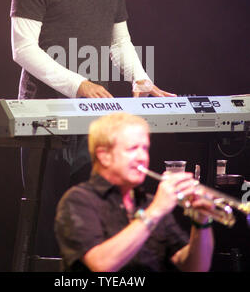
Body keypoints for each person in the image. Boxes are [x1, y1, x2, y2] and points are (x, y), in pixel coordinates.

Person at [10, 0, 176, 257]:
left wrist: (140, 79)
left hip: (93, 120)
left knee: (93, 224)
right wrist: (78, 84)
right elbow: (23, 50)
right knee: (49, 223)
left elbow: (119, 42)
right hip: (44, 117)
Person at [55, 112, 215, 272]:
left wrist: (202, 222)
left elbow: (196, 268)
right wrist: (155, 211)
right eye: (133, 149)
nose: (142, 157)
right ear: (104, 156)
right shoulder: (79, 200)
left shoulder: (149, 203)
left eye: (144, 148)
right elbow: (101, 265)